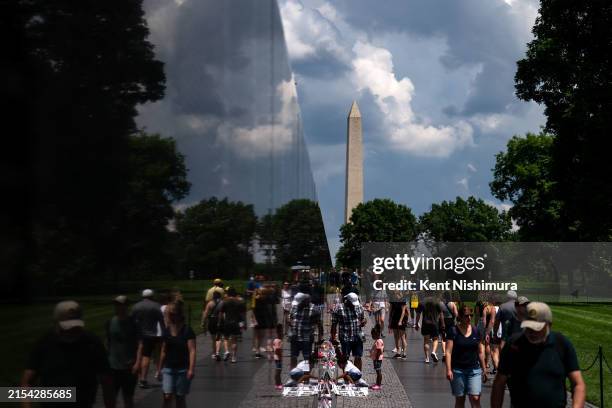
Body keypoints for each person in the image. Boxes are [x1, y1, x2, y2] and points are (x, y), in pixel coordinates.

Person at [21, 301, 115, 408]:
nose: (73, 331)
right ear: (56, 324)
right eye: (68, 328)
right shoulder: (44, 344)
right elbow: (27, 382)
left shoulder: (92, 343)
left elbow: (106, 381)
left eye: (76, 327)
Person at [491, 302, 586, 408]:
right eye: (528, 327)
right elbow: (499, 383)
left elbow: (578, 384)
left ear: (549, 325)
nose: (531, 332)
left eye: (537, 328)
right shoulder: (514, 344)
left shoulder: (561, 344)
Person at [445, 306, 487, 408]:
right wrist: (449, 370)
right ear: (460, 316)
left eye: (470, 316)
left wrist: (484, 369)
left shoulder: (476, 331)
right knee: (460, 399)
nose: (469, 318)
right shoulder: (453, 331)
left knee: (475, 398)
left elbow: (480, 352)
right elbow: (448, 352)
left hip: (474, 370)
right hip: (458, 371)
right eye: (466, 316)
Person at [106, 296, 142, 408]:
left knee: (128, 398)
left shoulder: (134, 322)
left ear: (126, 306)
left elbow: (140, 343)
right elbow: (108, 342)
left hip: (129, 366)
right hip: (113, 366)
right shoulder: (110, 322)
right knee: (111, 398)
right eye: (117, 305)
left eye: (121, 305)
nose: (119, 307)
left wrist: (137, 363)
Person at [160, 300, 196, 408]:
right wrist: (159, 368)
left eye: (172, 314)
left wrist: (191, 369)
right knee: (167, 396)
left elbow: (192, 350)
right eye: (168, 314)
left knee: (180, 398)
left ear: (179, 315)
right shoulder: (167, 331)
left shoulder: (187, 330)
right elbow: (164, 350)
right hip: (168, 369)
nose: (170, 317)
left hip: (183, 369)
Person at [132, 289, 164, 388]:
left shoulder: (136, 306)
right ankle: (143, 379)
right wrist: (164, 332)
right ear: (152, 296)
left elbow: (132, 320)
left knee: (139, 356)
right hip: (151, 334)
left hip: (139, 334)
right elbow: (161, 321)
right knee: (147, 356)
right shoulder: (156, 306)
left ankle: (139, 377)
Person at [331, 293, 366, 370]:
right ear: (347, 301)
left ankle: (357, 376)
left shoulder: (359, 306)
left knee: (358, 357)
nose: (354, 305)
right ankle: (347, 378)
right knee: (345, 358)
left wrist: (363, 322)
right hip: (345, 338)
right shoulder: (339, 308)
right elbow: (334, 324)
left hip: (358, 336)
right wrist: (333, 338)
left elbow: (363, 319)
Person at [288, 292, 320, 368]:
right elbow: (290, 317)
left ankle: (307, 376)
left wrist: (319, 339)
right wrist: (291, 323)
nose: (298, 304)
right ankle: (293, 375)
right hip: (295, 337)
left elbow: (319, 324)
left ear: (306, 301)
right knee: (293, 356)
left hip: (307, 338)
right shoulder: (294, 306)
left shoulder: (314, 309)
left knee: (307, 358)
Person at [219, 287, 246, 363]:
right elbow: (242, 314)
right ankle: (233, 357)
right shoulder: (239, 302)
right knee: (234, 340)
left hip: (227, 322)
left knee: (225, 338)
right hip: (236, 323)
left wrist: (220, 322)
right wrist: (243, 323)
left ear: (228, 293)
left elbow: (221, 313)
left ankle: (227, 351)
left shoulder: (225, 302)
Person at [415, 295, 445, 363]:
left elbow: (418, 314)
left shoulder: (422, 302)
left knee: (426, 340)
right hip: (435, 323)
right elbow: (441, 314)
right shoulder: (437, 301)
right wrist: (443, 324)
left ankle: (427, 358)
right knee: (435, 339)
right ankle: (433, 352)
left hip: (425, 323)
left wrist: (416, 323)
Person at [201, 289, 224, 360]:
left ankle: (214, 353)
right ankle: (217, 352)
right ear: (220, 296)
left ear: (213, 296)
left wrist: (203, 322)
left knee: (213, 339)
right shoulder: (222, 303)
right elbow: (223, 314)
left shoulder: (210, 303)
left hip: (212, 320)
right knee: (219, 338)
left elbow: (205, 314)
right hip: (220, 320)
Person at [388, 293, 408, 359]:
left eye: (395, 293)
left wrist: (400, 321)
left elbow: (403, 312)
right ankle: (398, 352)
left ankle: (404, 353)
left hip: (402, 319)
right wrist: (389, 320)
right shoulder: (392, 300)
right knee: (396, 336)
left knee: (402, 337)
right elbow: (390, 310)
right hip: (394, 319)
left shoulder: (403, 300)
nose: (394, 295)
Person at [440, 292, 458, 359]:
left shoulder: (441, 304)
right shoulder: (452, 304)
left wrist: (442, 323)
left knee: (443, 338)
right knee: (451, 338)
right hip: (451, 321)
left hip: (444, 321)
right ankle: (451, 352)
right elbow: (456, 314)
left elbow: (441, 315)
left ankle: (444, 353)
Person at [369, 324, 384, 390]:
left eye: (373, 335)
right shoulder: (378, 340)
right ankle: (377, 383)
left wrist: (376, 358)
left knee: (378, 372)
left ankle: (379, 384)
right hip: (376, 358)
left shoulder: (378, 341)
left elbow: (379, 350)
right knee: (378, 371)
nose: (372, 336)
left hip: (377, 359)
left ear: (376, 334)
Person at [273, 324, 284, 390]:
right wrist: (280, 354)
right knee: (278, 371)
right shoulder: (278, 341)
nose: (282, 333)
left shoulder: (277, 340)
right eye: (281, 332)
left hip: (278, 358)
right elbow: (277, 350)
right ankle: (278, 384)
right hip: (278, 358)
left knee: (278, 371)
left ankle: (278, 382)